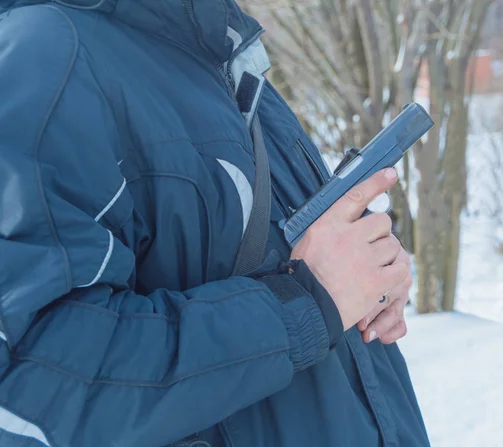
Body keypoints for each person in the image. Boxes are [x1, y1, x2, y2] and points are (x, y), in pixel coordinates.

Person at [0, 1, 430, 446]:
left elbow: (283, 253)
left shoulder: (218, 51)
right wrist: (304, 302)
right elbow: (29, 377)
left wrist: (367, 267)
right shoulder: (44, 53)